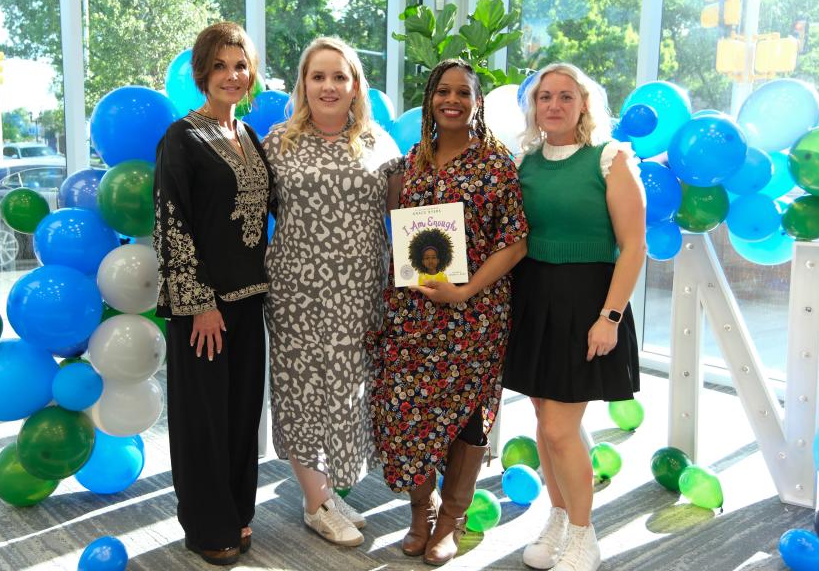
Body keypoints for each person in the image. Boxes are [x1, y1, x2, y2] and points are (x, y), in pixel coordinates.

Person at [370, 58, 528, 566]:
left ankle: (452, 519)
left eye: (463, 92)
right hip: (413, 314)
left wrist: (464, 292)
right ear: (430, 99)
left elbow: (515, 242)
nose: (452, 100)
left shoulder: (495, 162)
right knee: (405, 410)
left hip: (475, 315)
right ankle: (421, 512)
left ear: (478, 102)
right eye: (443, 91)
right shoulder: (415, 159)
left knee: (467, 418)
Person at [503, 63, 646, 571]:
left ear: (584, 104)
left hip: (587, 304)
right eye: (545, 97)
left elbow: (633, 247)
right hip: (533, 300)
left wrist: (609, 316)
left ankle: (585, 536)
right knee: (544, 423)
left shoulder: (610, 159)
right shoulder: (524, 161)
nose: (555, 105)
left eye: (566, 96)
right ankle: (559, 519)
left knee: (562, 430)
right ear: (534, 105)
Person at [262, 36, 401, 547]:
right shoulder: (277, 142)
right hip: (298, 291)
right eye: (317, 76)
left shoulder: (379, 143)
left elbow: (404, 217)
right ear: (303, 84)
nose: (328, 86)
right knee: (301, 389)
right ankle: (317, 501)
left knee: (348, 390)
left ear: (355, 84)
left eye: (339, 76)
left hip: (362, 291)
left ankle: (324, 489)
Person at [153, 22, 271, 567]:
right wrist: (199, 302)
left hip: (251, 302)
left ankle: (237, 511)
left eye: (240, 65)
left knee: (242, 414)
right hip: (205, 308)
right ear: (202, 72)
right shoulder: (182, 137)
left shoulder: (247, 136)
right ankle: (207, 524)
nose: (232, 75)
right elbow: (171, 224)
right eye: (220, 66)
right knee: (204, 418)